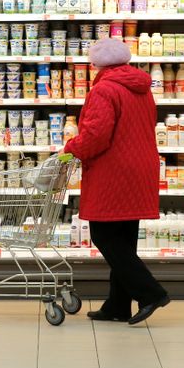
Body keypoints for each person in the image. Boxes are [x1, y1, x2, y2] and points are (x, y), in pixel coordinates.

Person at [63, 38, 170, 325]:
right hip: (140, 167)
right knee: (124, 237)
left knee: (104, 235)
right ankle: (118, 305)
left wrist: (71, 149)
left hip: (114, 169)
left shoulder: (104, 89)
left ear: (96, 63)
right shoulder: (140, 87)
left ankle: (150, 293)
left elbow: (96, 135)